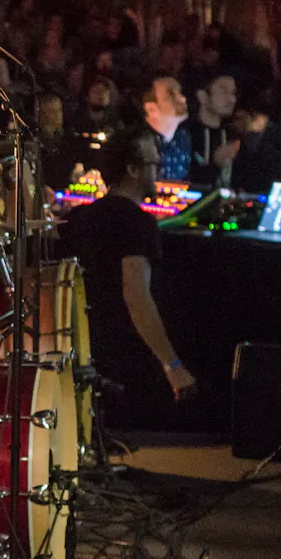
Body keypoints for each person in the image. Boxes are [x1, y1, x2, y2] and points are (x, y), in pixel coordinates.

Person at [66, 128, 197, 433]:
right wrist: (173, 367)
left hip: (88, 354)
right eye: (154, 164)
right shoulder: (138, 223)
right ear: (133, 169)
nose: (159, 170)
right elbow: (137, 297)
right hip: (129, 365)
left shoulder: (80, 218)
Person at [185, 75, 241, 188]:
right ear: (202, 96)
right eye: (223, 91)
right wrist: (215, 163)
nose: (231, 99)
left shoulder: (233, 136)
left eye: (233, 93)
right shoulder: (187, 134)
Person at [139, 76, 190, 182]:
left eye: (179, 92)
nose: (183, 98)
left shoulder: (184, 138)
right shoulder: (138, 142)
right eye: (171, 95)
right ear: (151, 109)